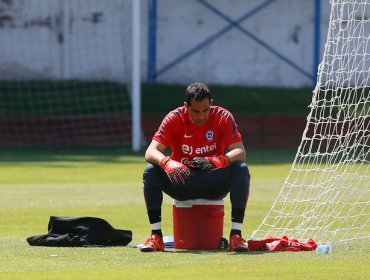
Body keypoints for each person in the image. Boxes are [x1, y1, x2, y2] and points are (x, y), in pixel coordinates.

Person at [140, 82, 250, 252]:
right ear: (186, 106)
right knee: (151, 171)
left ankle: (236, 236)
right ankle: (156, 237)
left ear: (211, 104)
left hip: (213, 180)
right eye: (196, 111)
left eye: (205, 110)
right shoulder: (174, 118)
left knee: (241, 169)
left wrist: (220, 160)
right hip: (182, 181)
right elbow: (150, 152)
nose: (201, 116)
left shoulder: (223, 116)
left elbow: (240, 152)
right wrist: (167, 163)